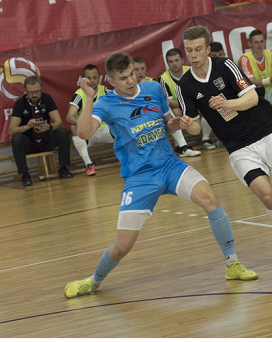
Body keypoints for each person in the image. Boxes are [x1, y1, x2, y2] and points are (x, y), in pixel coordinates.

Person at [63, 52, 258, 299]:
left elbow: (167, 122)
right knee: (122, 247)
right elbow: (83, 133)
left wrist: (176, 124)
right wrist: (89, 98)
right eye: (123, 78)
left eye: (131, 74)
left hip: (169, 165)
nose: (130, 80)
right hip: (139, 177)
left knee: (210, 198)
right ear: (111, 81)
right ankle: (93, 281)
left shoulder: (153, 89)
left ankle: (233, 264)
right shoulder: (106, 103)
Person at [179, 25, 272, 264]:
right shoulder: (185, 85)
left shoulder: (225, 66)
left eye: (198, 49)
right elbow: (196, 128)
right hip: (237, 146)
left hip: (264, 132)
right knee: (267, 196)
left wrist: (227, 104)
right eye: (189, 50)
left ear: (208, 49)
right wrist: (188, 124)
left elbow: (251, 98)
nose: (193, 54)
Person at [8, 76, 73, 186]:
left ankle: (63, 168)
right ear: (25, 91)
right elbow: (11, 131)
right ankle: (25, 174)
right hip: (30, 142)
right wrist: (26, 127)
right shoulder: (20, 103)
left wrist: (49, 127)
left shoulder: (47, 99)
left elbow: (59, 122)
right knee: (16, 138)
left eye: (37, 92)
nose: (34, 95)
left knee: (62, 132)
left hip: (46, 139)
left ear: (41, 89)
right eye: (31, 92)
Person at [66, 64, 115, 177]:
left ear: (99, 78)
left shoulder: (106, 91)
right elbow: (69, 117)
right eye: (88, 78)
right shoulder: (79, 94)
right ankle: (88, 164)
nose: (92, 81)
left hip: (105, 131)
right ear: (83, 79)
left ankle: (129, 159)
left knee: (121, 122)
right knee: (74, 127)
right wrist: (84, 124)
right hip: (88, 133)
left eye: (94, 77)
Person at [159, 49, 211, 153]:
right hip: (180, 108)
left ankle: (206, 139)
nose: (174, 64)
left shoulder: (192, 71)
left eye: (176, 60)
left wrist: (196, 105)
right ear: (167, 63)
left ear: (182, 60)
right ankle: (181, 146)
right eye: (171, 61)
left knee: (207, 106)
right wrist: (191, 104)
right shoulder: (163, 78)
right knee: (176, 113)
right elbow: (169, 103)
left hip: (195, 104)